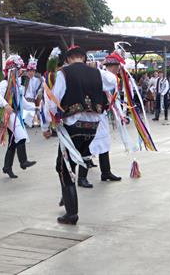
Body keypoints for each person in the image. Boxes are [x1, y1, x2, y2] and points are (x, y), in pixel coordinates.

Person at [42, 45, 106, 225]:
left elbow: (53, 101)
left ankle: (71, 213)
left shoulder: (65, 73)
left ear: (69, 58)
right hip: (92, 128)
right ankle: (66, 196)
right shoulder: (97, 73)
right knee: (64, 164)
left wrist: (47, 127)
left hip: (73, 127)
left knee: (65, 168)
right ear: (83, 58)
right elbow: (112, 86)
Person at [0, 56, 37, 179]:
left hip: (15, 113)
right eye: (18, 69)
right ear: (12, 69)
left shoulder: (17, 85)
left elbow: (23, 102)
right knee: (21, 136)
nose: (20, 72)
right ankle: (23, 161)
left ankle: (7, 167)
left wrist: (36, 107)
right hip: (8, 115)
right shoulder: (5, 83)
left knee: (13, 142)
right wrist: (6, 104)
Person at [88, 54, 123, 183]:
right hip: (91, 115)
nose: (118, 70)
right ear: (111, 66)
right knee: (88, 144)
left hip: (101, 113)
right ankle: (81, 176)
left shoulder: (106, 76)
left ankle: (106, 172)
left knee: (104, 143)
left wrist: (121, 114)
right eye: (117, 67)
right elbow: (109, 83)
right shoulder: (101, 75)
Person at [24, 56, 43, 126]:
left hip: (33, 100)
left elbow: (38, 91)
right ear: (27, 71)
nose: (31, 73)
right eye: (30, 71)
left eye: (33, 71)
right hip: (24, 99)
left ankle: (34, 120)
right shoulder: (24, 79)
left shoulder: (37, 80)